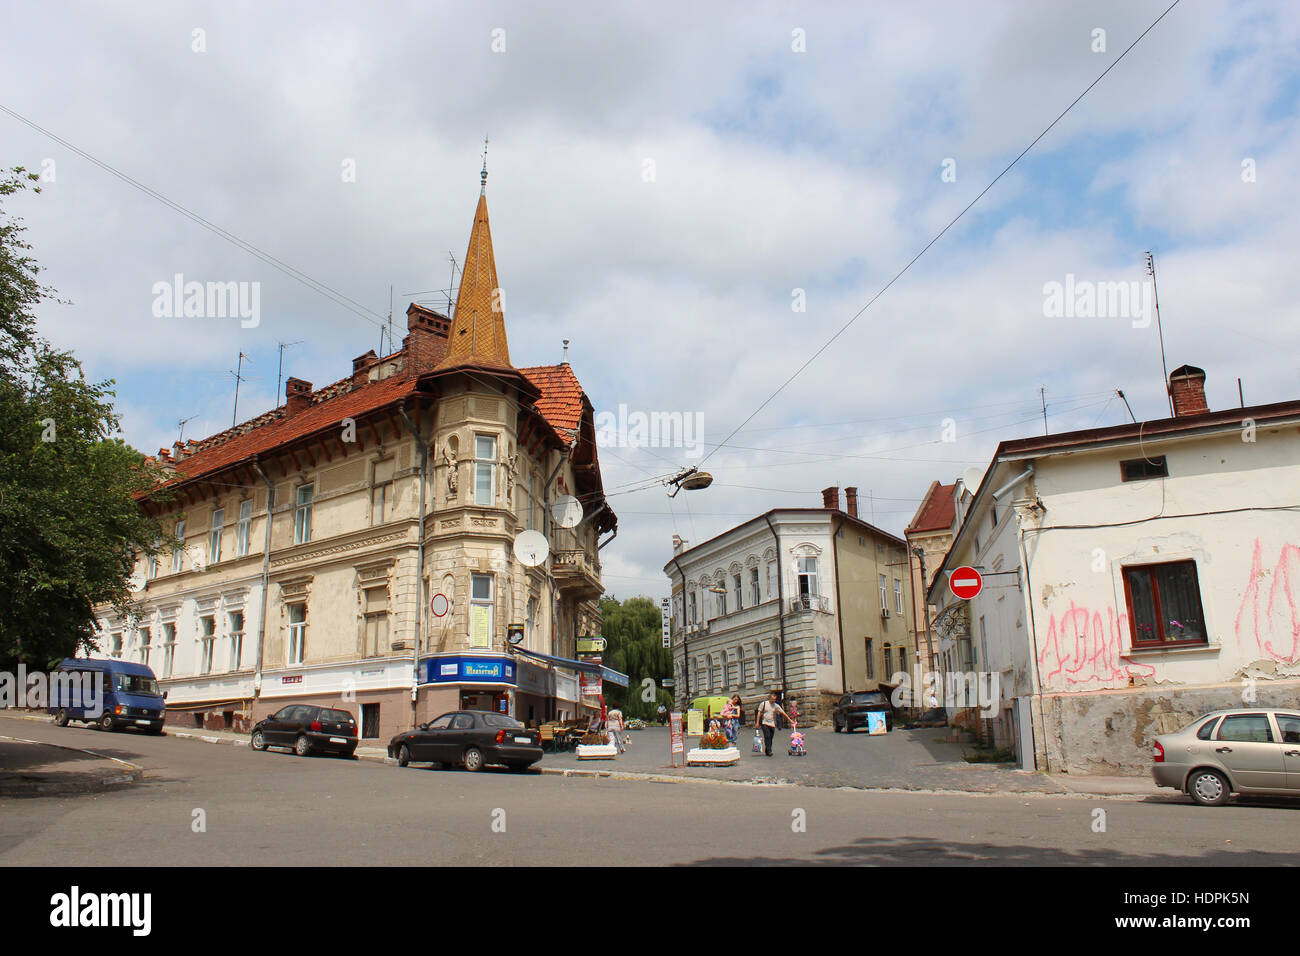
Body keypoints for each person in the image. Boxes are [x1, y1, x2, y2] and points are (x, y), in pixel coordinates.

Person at [754, 690, 791, 757]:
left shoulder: (775, 705)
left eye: (775, 699)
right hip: (764, 723)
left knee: (771, 737)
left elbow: (783, 713)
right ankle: (769, 750)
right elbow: (759, 713)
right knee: (767, 736)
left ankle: (767, 750)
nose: (774, 700)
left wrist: (790, 720)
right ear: (769, 698)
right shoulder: (764, 704)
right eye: (772, 699)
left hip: (772, 723)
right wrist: (757, 723)